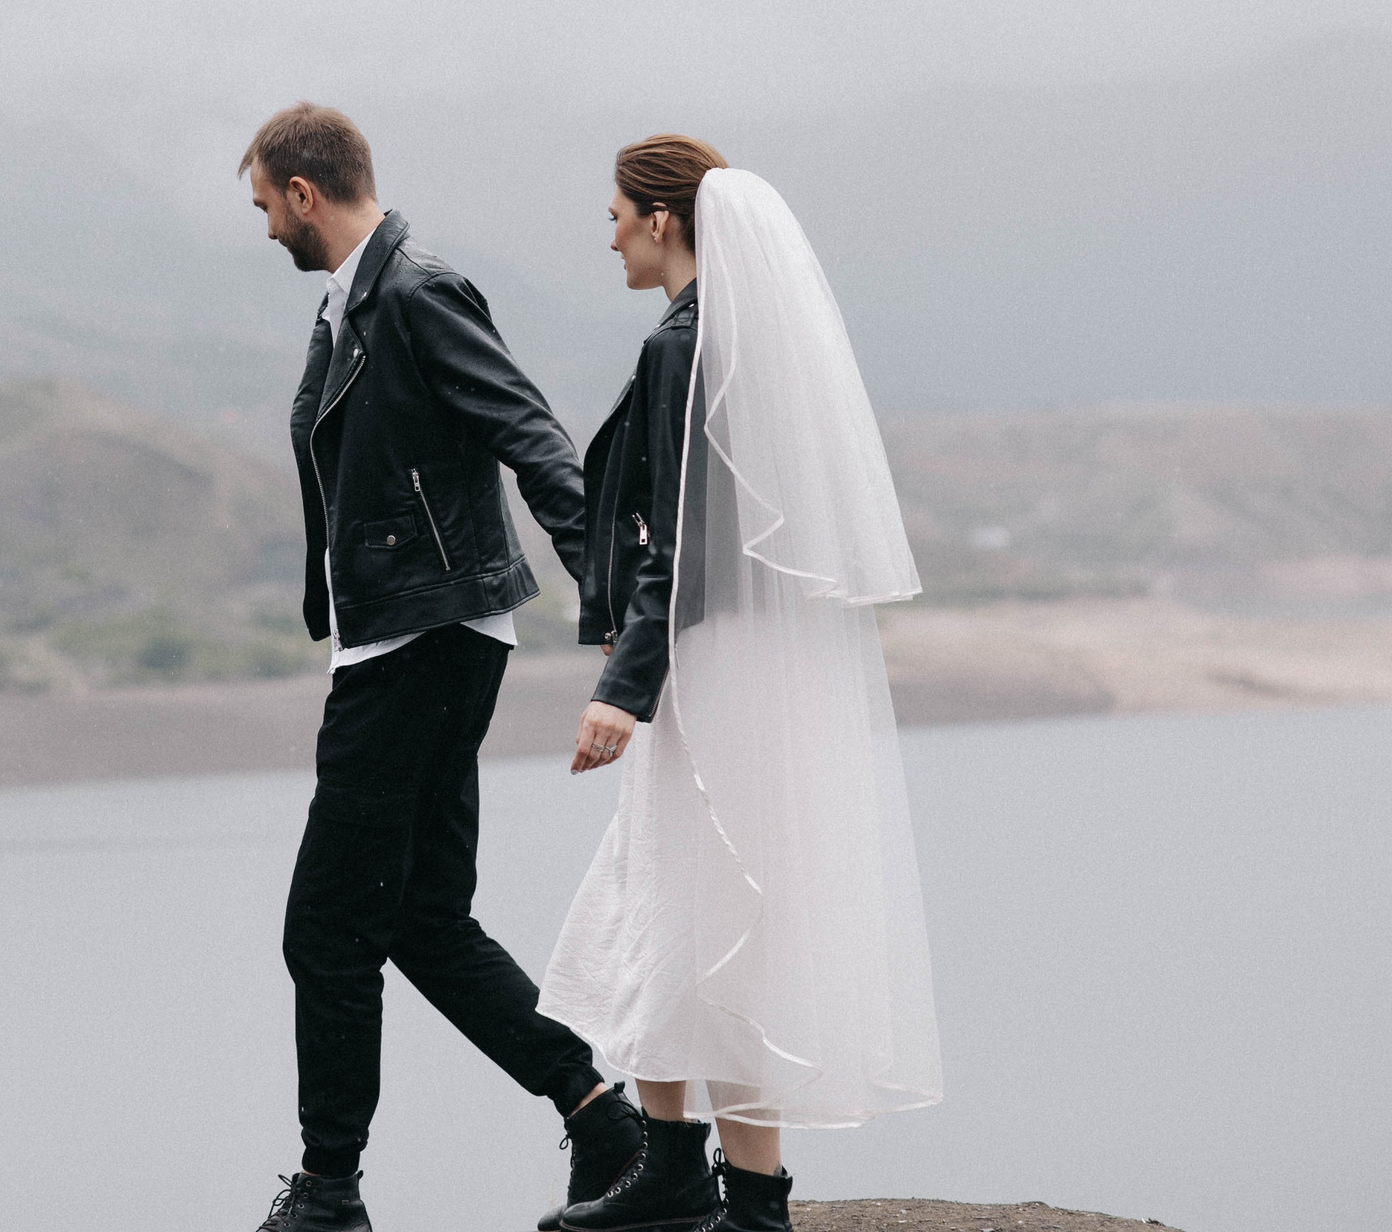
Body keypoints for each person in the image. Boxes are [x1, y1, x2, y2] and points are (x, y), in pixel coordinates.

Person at [239, 103, 651, 1232]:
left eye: (266, 203)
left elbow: (528, 431)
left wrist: (602, 592)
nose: (265, 225)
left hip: (422, 640)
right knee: (420, 915)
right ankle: (599, 1111)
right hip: (415, 633)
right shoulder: (351, 307)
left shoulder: (414, 293)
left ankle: (328, 1194)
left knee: (325, 928)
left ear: (305, 192)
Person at [537, 137, 943, 1232]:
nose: (608, 230)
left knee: (694, 904)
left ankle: (745, 1202)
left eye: (617, 210)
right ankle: (680, 1172)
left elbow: (675, 545)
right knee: (671, 900)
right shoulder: (736, 339)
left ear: (663, 221)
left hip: (699, 668)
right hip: (737, 661)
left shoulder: (685, 342)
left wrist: (621, 689)